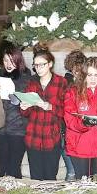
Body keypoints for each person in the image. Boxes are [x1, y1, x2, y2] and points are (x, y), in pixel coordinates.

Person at [20, 46, 67, 180]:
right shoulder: (32, 82)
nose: (38, 68)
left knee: (50, 176)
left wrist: (50, 106)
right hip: (33, 136)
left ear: (50, 64)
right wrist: (24, 107)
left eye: (42, 65)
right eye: (36, 65)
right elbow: (25, 113)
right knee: (35, 177)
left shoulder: (61, 82)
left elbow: (66, 111)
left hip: (51, 137)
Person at [0, 45, 31, 178]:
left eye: (12, 60)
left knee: (14, 167)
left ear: (18, 60)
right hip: (1, 128)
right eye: (5, 60)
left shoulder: (27, 79)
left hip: (18, 129)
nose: (8, 64)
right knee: (1, 165)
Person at [61, 50, 86, 180]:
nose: (77, 70)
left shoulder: (87, 83)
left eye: (79, 67)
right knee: (71, 171)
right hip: (66, 131)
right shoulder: (65, 82)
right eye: (74, 67)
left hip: (82, 132)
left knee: (80, 172)